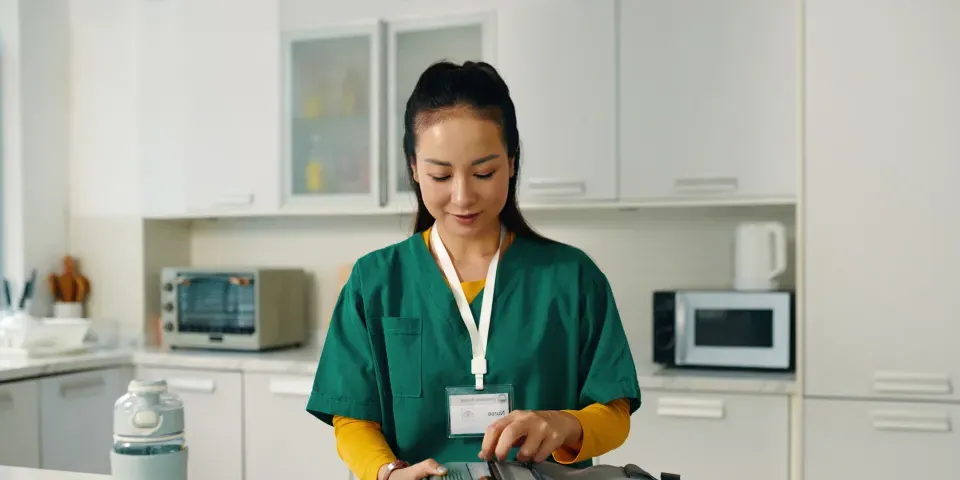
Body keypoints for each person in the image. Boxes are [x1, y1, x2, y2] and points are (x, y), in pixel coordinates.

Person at [306, 60, 641, 480]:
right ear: (413, 167)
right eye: (440, 175)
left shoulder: (572, 278)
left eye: (484, 172)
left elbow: (615, 409)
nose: (463, 197)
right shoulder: (374, 281)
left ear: (513, 161)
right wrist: (388, 472)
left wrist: (563, 425)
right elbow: (352, 417)